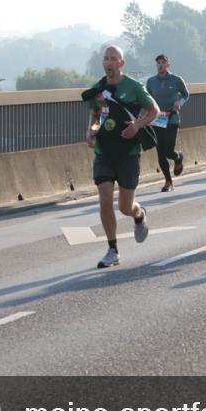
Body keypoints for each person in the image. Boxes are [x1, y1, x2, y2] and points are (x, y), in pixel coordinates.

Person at [85, 45, 160, 268]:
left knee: (125, 207)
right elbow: (97, 113)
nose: (108, 63)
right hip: (104, 151)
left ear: (121, 63)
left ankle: (139, 214)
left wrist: (136, 126)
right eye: (105, 59)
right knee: (104, 199)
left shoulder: (134, 87)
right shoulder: (98, 88)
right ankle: (112, 250)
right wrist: (91, 131)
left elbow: (154, 111)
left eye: (113, 59)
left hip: (128, 153)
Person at [145, 54, 190, 192]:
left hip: (172, 118)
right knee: (160, 152)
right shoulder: (151, 81)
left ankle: (178, 157)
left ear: (168, 65)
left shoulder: (176, 80)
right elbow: (147, 97)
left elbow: (186, 94)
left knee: (168, 150)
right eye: (158, 63)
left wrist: (180, 102)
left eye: (163, 62)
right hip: (158, 118)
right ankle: (168, 181)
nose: (160, 65)